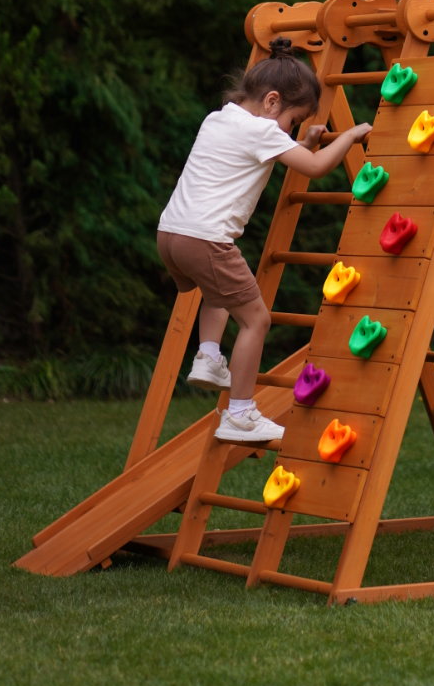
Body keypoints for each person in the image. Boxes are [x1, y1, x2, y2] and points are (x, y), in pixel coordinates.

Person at [157, 43, 371, 443]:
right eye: (292, 121)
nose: (288, 130)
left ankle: (207, 356)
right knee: (256, 320)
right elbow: (318, 168)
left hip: (171, 236)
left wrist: (300, 142)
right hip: (206, 240)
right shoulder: (262, 130)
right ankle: (240, 414)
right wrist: (353, 135)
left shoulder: (219, 120)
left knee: (216, 291)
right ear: (272, 102)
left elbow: (263, 156)